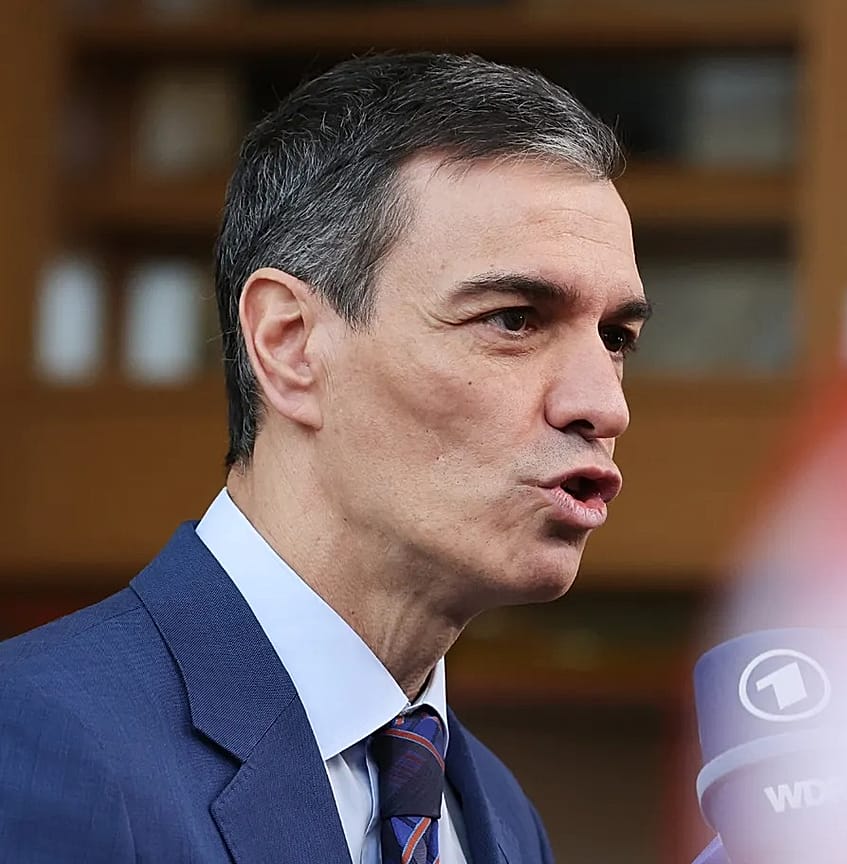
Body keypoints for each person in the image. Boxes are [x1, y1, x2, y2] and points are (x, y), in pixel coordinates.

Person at [0, 52, 648, 863]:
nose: (604, 404)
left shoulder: (501, 821)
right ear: (290, 345)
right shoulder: (34, 739)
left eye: (616, 338)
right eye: (513, 319)